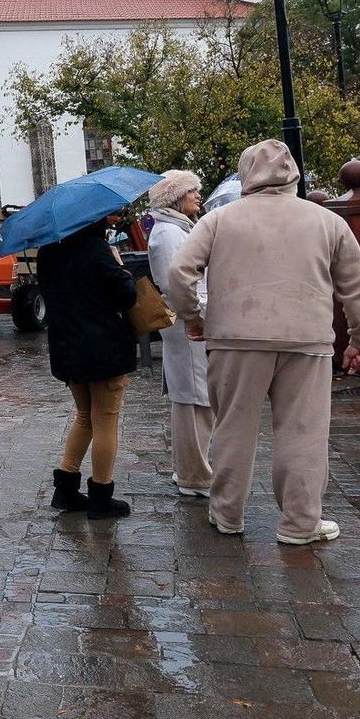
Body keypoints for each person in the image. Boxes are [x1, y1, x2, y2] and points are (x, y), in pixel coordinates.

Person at [166, 139, 360, 546]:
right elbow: (357, 288)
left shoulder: (218, 219)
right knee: (304, 432)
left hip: (234, 338)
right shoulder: (327, 221)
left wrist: (195, 319)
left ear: (247, 174)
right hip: (308, 338)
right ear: (294, 175)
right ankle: (300, 524)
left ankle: (226, 513)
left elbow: (180, 273)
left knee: (232, 428)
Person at [39, 215, 138, 519]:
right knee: (106, 421)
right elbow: (127, 295)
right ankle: (101, 497)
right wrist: (120, 266)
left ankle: (66, 489)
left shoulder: (48, 252)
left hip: (67, 349)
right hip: (102, 350)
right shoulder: (96, 250)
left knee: (85, 416)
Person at [144, 171, 213, 499]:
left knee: (196, 395)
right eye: (191, 191)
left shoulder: (176, 228)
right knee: (192, 397)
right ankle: (193, 475)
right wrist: (199, 314)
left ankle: (192, 469)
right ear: (175, 197)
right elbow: (177, 284)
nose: (198, 195)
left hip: (187, 321)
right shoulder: (169, 232)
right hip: (186, 323)